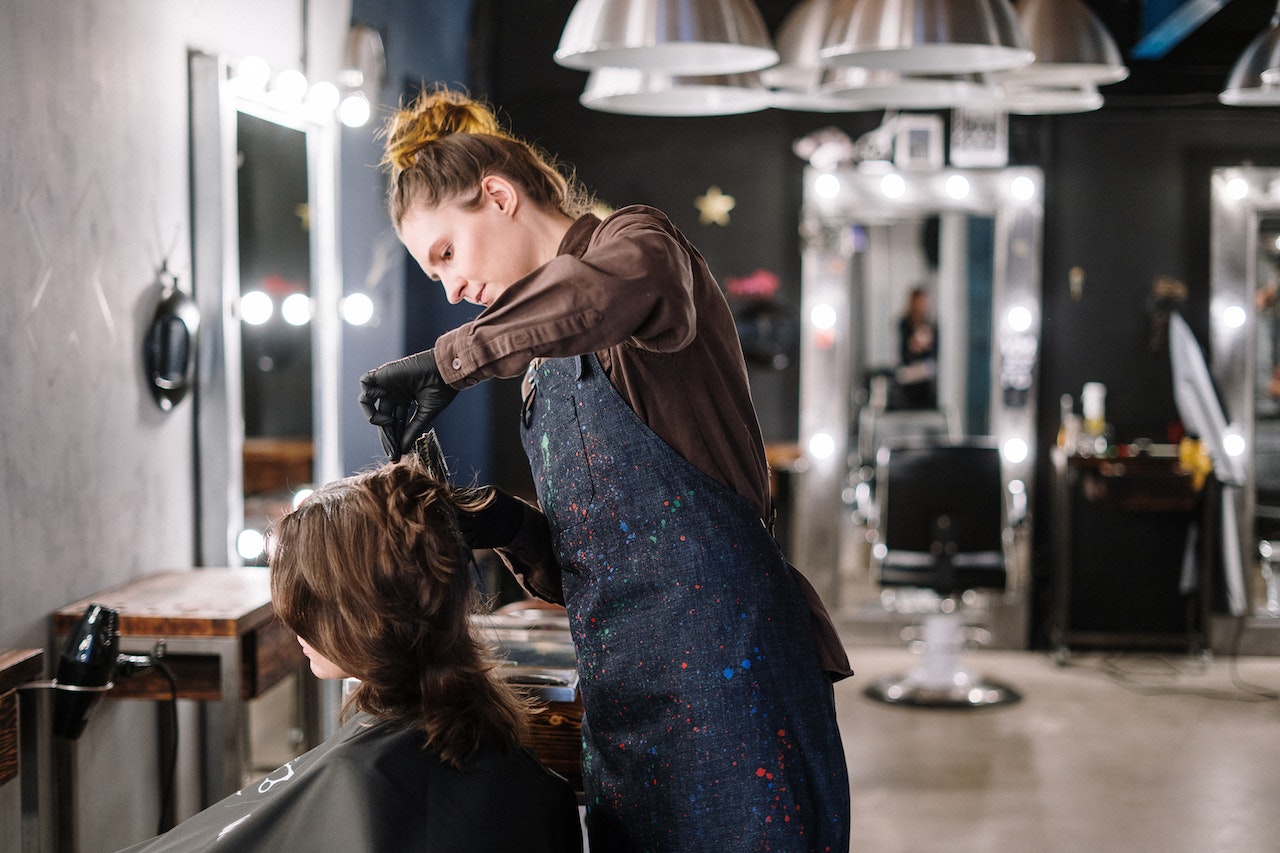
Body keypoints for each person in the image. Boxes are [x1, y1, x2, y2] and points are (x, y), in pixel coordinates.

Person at [357, 88, 852, 852]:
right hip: (625, 708)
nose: (451, 290)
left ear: (497, 194)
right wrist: (502, 524)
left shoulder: (639, 248)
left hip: (735, 693)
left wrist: (453, 360)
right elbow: (599, 565)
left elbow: (616, 293)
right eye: (435, 277)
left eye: (446, 255)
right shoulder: (538, 373)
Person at [118, 447, 583, 853]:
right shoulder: (494, 744)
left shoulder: (361, 775)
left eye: (307, 605)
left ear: (361, 616)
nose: (290, 622)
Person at [894, 285, 938, 409]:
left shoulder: (929, 324)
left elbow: (932, 352)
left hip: (925, 379)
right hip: (908, 377)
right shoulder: (904, 323)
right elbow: (905, 350)